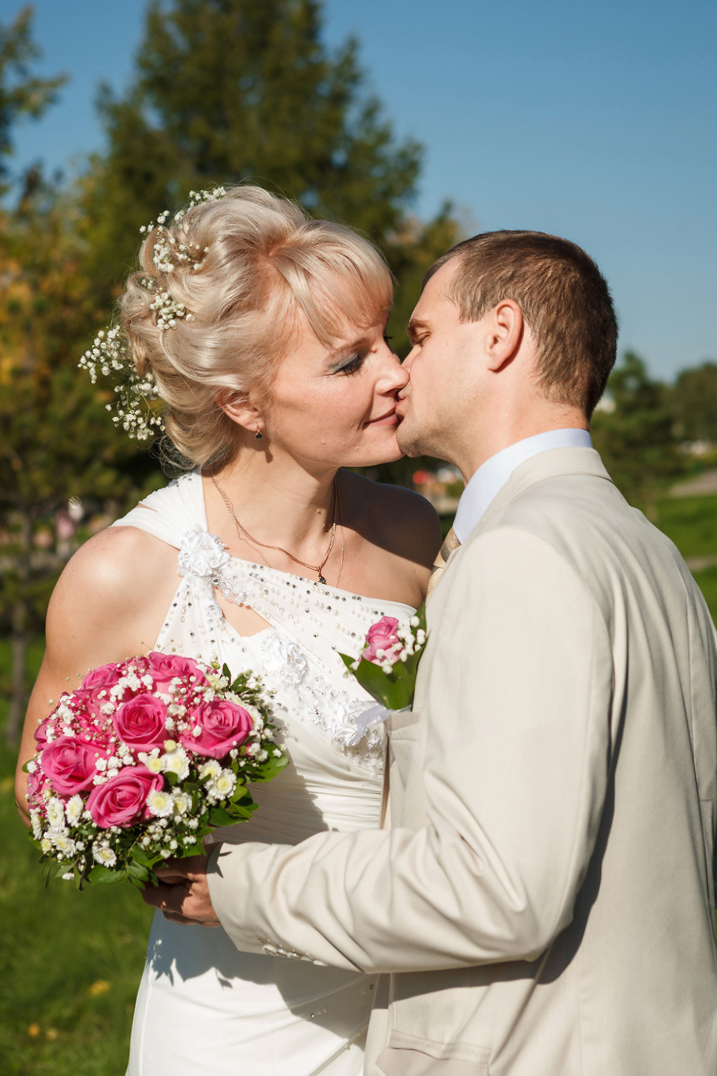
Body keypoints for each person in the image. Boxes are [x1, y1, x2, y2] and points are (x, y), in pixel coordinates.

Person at [148, 231, 717, 1076]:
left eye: (416, 336)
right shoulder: (647, 548)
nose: (397, 371)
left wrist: (238, 887)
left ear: (500, 335)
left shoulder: (519, 553)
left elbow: (495, 886)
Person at [14, 185, 442, 1076]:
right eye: (347, 361)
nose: (395, 371)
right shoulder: (125, 571)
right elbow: (40, 783)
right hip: (228, 1022)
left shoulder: (413, 537)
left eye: (386, 340)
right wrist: (150, 814)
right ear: (242, 404)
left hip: (419, 1000)